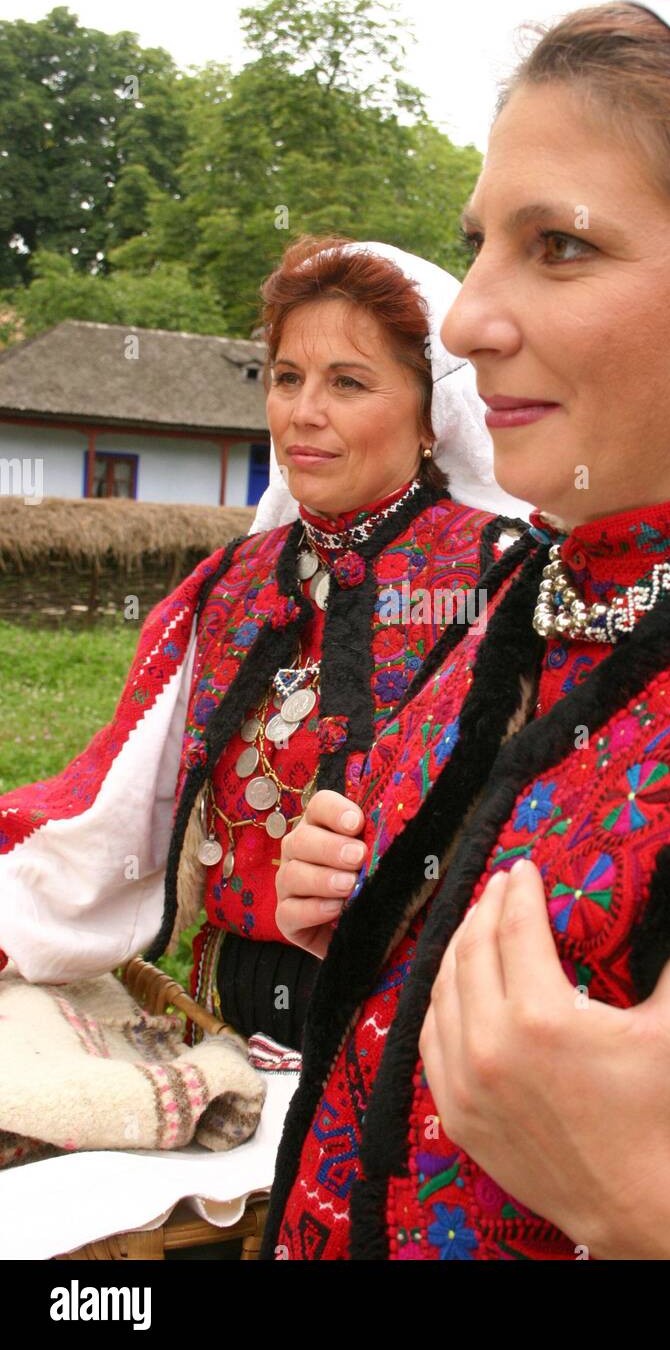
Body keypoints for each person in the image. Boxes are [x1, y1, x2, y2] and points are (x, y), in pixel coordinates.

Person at [262, 0, 670, 1259]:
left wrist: (632, 1201)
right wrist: (381, 913)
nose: (467, 320)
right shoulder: (542, 590)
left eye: (563, 248)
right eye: (479, 242)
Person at [0, 238, 529, 1061]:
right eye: (287, 378)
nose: (303, 412)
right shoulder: (227, 585)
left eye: (347, 383)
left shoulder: (505, 581)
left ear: (433, 417)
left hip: (411, 1025)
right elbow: (113, 796)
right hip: (223, 1003)